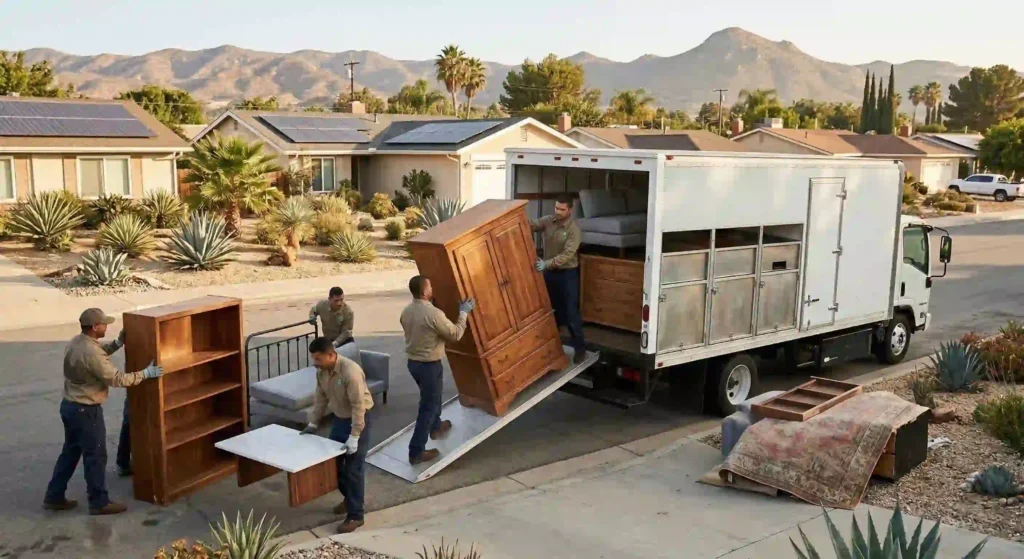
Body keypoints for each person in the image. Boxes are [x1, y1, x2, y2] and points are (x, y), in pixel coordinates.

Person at [43, 308, 162, 515]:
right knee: (96, 455)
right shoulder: (91, 352)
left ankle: (54, 496)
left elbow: (95, 357)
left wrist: (117, 343)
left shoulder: (77, 342)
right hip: (85, 411)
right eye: (104, 324)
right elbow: (117, 379)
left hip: (70, 406)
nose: (107, 326)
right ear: (94, 327)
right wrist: (145, 374)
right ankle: (99, 502)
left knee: (70, 452)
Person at [399, 275, 475, 466]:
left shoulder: (407, 311)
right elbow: (455, 334)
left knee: (434, 396)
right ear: (425, 292)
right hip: (428, 365)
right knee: (428, 406)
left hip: (414, 363)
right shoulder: (433, 314)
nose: (433, 289)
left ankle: (436, 426)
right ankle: (416, 452)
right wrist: (464, 313)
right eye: (430, 286)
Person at [301, 336, 374, 534]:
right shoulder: (322, 372)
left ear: (331, 355)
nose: (315, 363)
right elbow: (321, 398)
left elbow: (358, 406)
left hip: (359, 420)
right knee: (332, 465)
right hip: (340, 420)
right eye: (314, 359)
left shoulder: (350, 372)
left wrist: (355, 435)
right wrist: (313, 423)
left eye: (318, 359)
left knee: (353, 469)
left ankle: (355, 515)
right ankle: (349, 497)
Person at [532, 194, 586, 364]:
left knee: (570, 313)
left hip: (566, 274)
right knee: (549, 311)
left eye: (562, 209)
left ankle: (580, 349)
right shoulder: (548, 221)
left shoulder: (573, 230)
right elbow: (530, 225)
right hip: (549, 274)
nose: (558, 212)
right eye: (556, 208)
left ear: (569, 210)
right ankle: (551, 350)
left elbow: (567, 255)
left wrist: (546, 264)